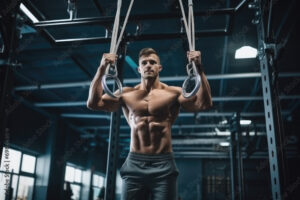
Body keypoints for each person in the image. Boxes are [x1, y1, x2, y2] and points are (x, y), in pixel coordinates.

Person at [87, 48, 212, 200]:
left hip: (164, 164)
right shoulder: (126, 94)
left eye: (152, 62)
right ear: (139, 69)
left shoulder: (174, 93)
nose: (148, 65)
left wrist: (199, 69)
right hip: (134, 163)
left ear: (159, 68)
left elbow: (203, 104)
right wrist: (101, 69)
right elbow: (93, 103)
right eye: (144, 63)